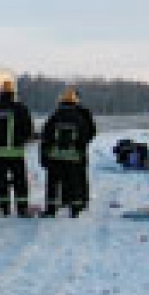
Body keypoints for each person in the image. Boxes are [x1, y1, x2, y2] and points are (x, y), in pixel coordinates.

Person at [40, 88, 94, 217]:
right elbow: (85, 136)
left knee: (53, 184)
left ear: (61, 101)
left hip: (55, 157)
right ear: (75, 102)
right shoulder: (80, 117)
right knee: (74, 182)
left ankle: (51, 210)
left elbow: (46, 136)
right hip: (73, 157)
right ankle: (75, 210)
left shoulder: (54, 116)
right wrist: (80, 151)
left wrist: (44, 155)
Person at [0, 80, 34, 217]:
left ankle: (5, 208)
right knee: (19, 180)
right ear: (13, 93)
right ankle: (22, 209)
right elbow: (28, 129)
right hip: (16, 152)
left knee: (0, 180)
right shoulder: (21, 108)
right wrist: (22, 141)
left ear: (1, 93)